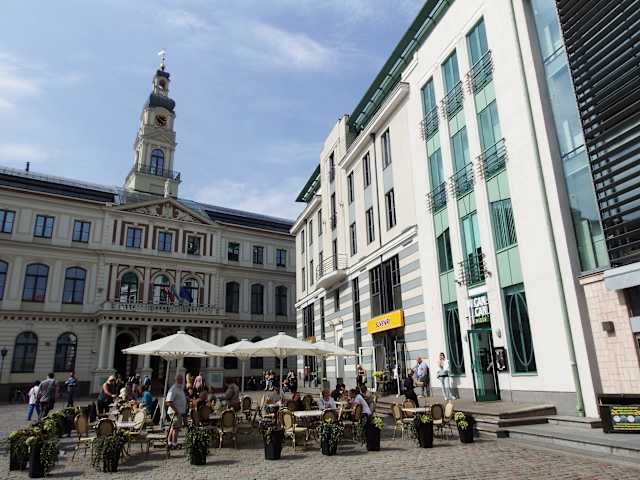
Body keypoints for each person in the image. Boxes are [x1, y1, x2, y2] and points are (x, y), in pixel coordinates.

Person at [166, 374, 187, 449]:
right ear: (176, 380)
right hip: (175, 412)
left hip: (178, 412)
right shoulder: (173, 389)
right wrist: (176, 410)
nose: (182, 381)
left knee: (174, 427)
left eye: (182, 379)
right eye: (180, 379)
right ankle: (174, 443)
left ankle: (170, 442)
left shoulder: (179, 388)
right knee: (176, 428)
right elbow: (169, 402)